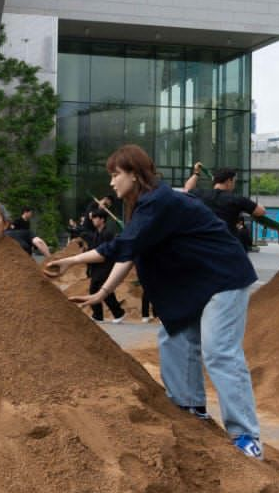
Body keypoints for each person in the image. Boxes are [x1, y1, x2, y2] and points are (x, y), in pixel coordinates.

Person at [45, 144, 263, 458]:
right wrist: (102, 293)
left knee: (219, 351)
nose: (112, 183)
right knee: (174, 339)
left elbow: (122, 246)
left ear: (134, 174)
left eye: (115, 175)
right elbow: (132, 250)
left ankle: (247, 438)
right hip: (194, 285)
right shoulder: (144, 206)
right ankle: (190, 411)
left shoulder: (159, 201)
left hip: (223, 278)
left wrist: (70, 261)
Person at [184, 165, 279, 254]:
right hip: (227, 247)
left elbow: (187, 189)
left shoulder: (201, 194)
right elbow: (261, 211)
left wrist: (196, 173)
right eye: (234, 181)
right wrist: (254, 203)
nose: (234, 185)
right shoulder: (237, 199)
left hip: (204, 245)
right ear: (229, 180)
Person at [77, 207, 126, 323]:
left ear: (102, 220)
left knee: (101, 290)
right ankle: (101, 315)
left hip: (106, 265)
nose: (93, 220)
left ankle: (117, 313)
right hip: (96, 266)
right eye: (93, 218)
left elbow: (108, 250)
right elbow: (93, 249)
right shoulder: (96, 234)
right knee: (96, 290)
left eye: (95, 218)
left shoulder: (108, 234)